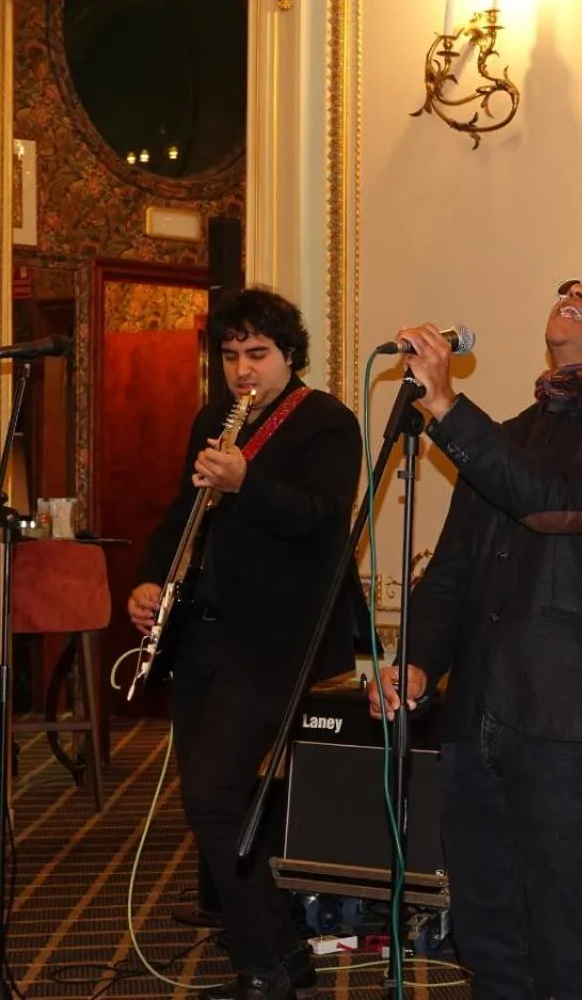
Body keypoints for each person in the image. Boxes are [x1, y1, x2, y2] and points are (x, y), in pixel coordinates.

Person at [368, 273, 582, 1000]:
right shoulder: (507, 435)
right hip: (475, 715)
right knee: (486, 936)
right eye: (568, 285)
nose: (576, 291)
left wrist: (447, 404)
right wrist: (415, 662)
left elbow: (557, 506)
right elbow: (451, 574)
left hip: (568, 725)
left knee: (566, 946)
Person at [127, 289, 363, 1000]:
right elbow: (184, 512)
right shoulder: (212, 418)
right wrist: (149, 581)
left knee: (212, 794)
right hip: (204, 630)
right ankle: (282, 951)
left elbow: (320, 520)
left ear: (290, 355)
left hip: (276, 639)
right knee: (212, 799)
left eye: (256, 353)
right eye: (230, 354)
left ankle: (264, 962)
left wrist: (247, 480)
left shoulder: (327, 422)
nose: (242, 369)